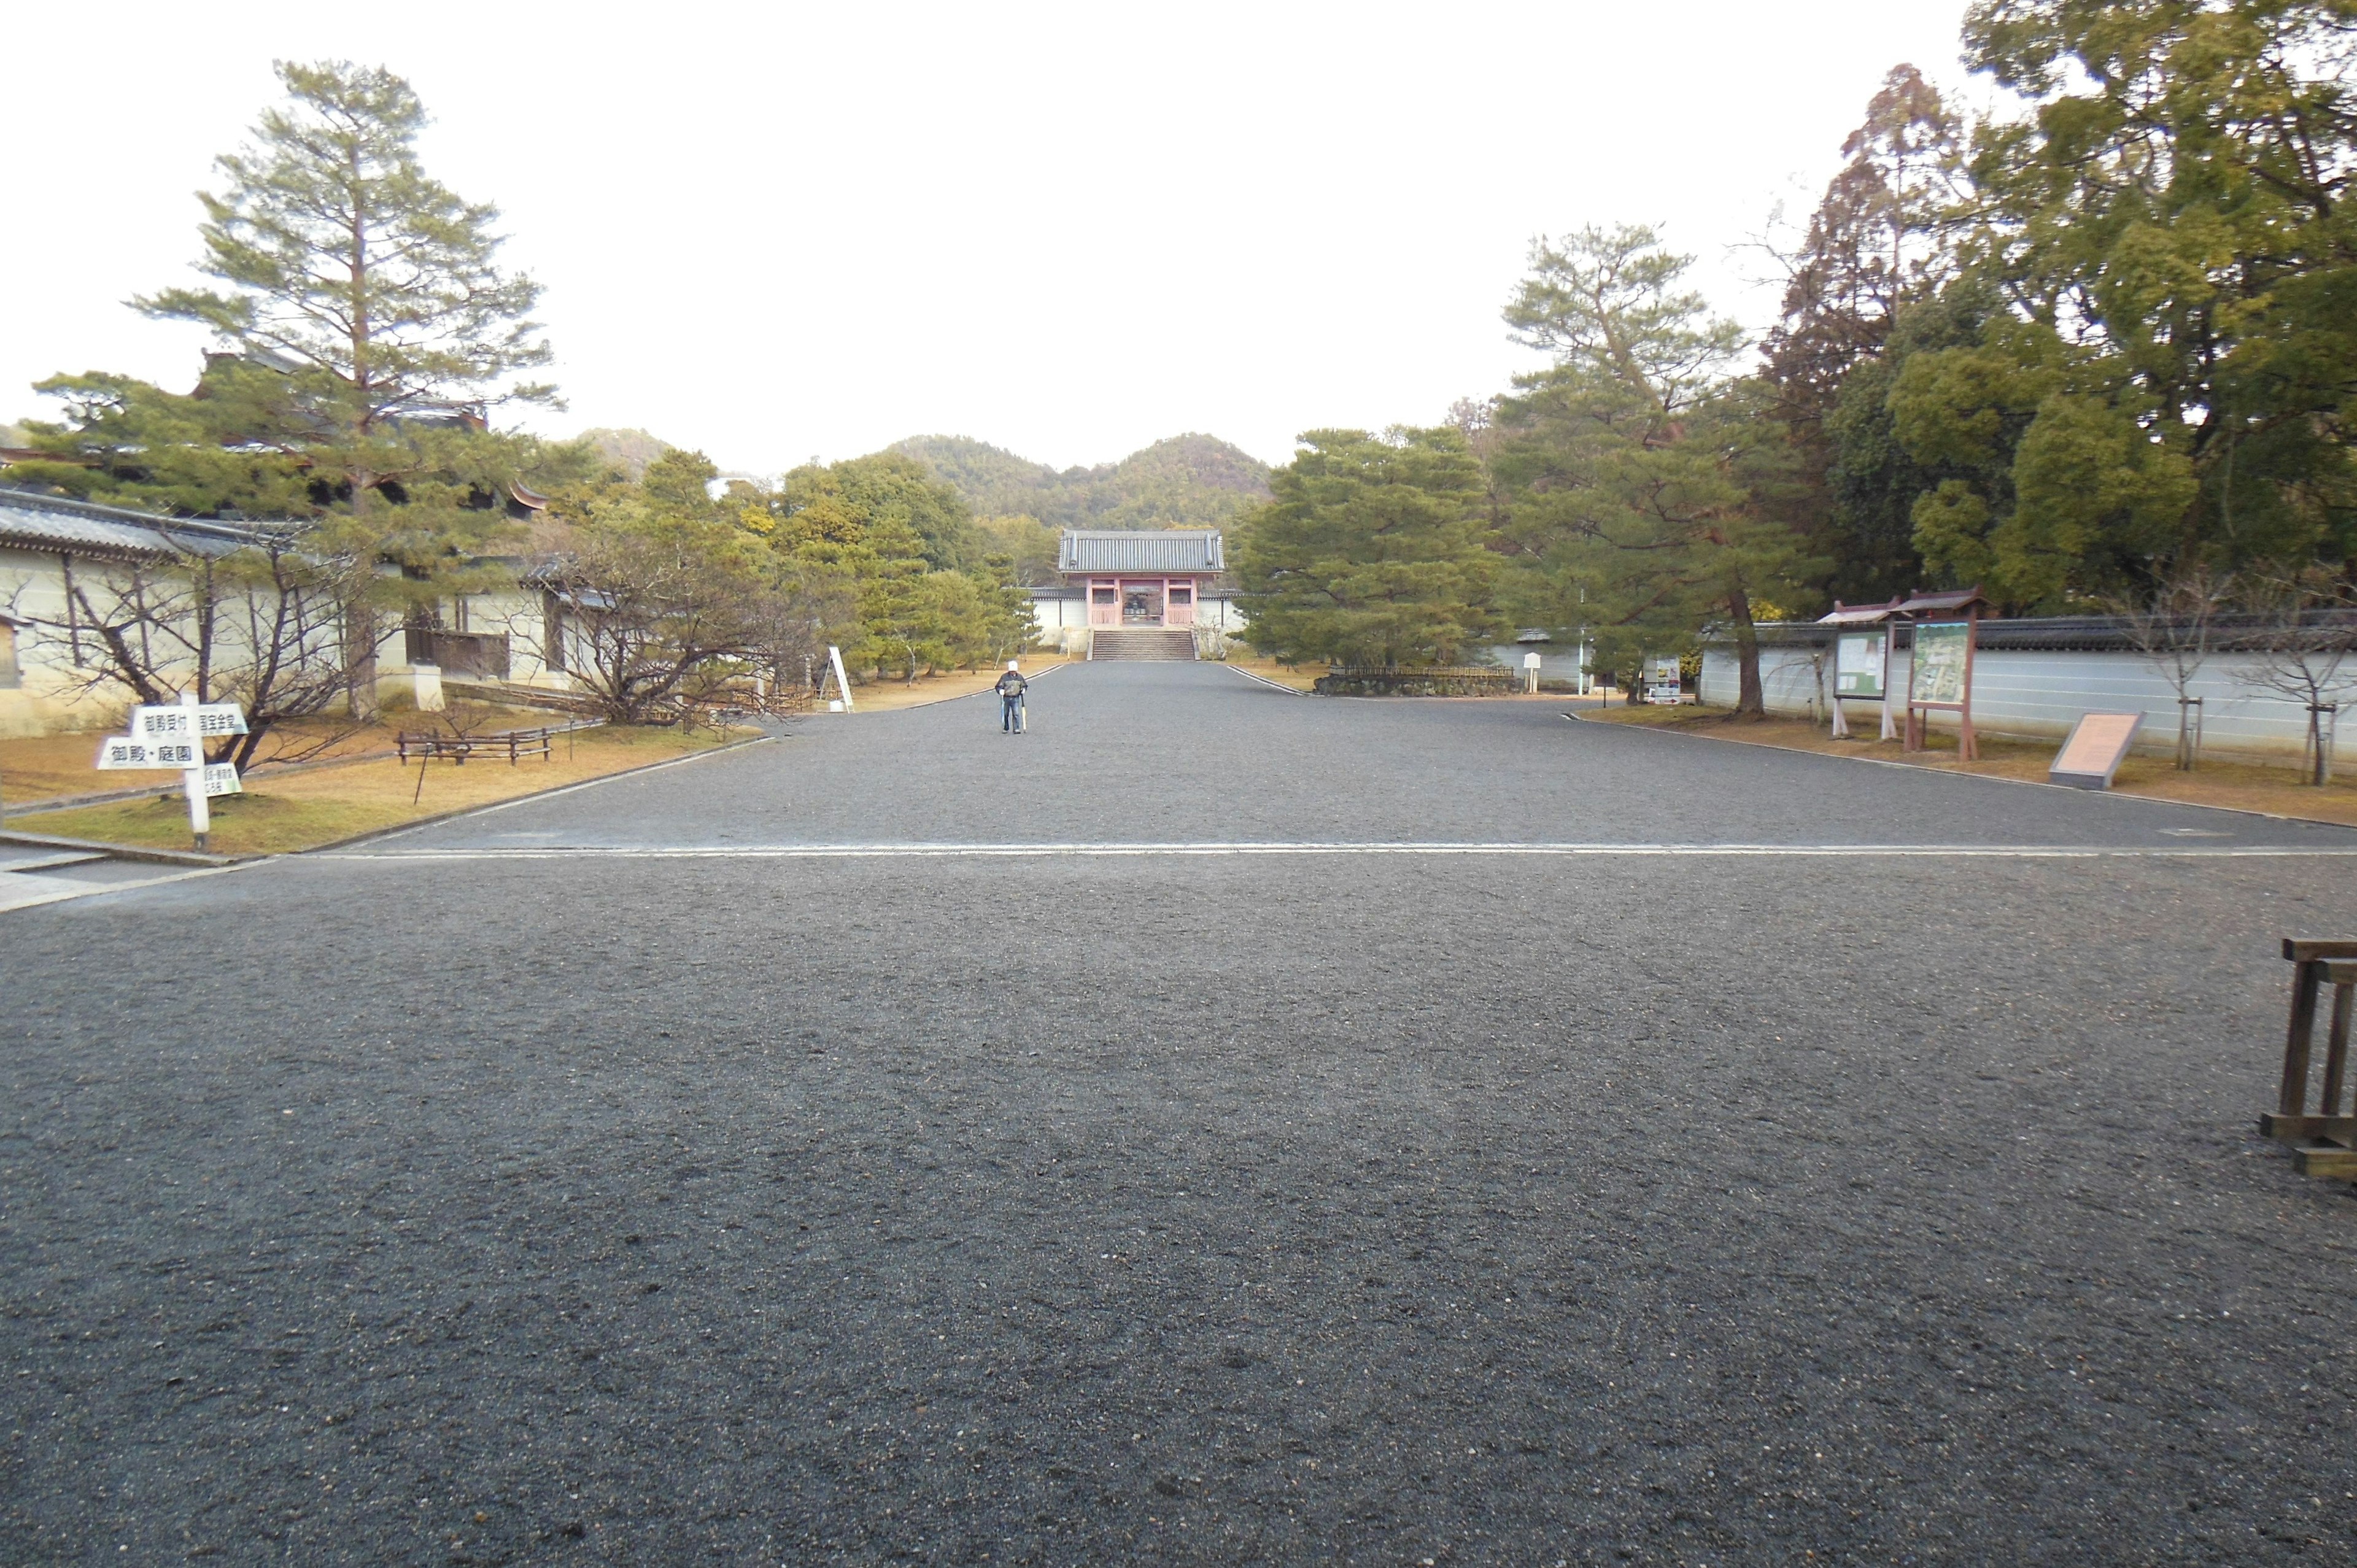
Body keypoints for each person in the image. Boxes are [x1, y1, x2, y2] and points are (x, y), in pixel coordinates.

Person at [994, 660, 1028, 734]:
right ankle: (1006, 728)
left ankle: (1016, 728)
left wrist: (1024, 689)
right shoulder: (1004, 677)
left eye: (1014, 671)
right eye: (1012, 671)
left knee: (1016, 713)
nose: (1013, 673)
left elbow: (1024, 685)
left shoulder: (1020, 677)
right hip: (1006, 698)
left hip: (1015, 698)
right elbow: (998, 686)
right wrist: (1000, 691)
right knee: (1006, 713)